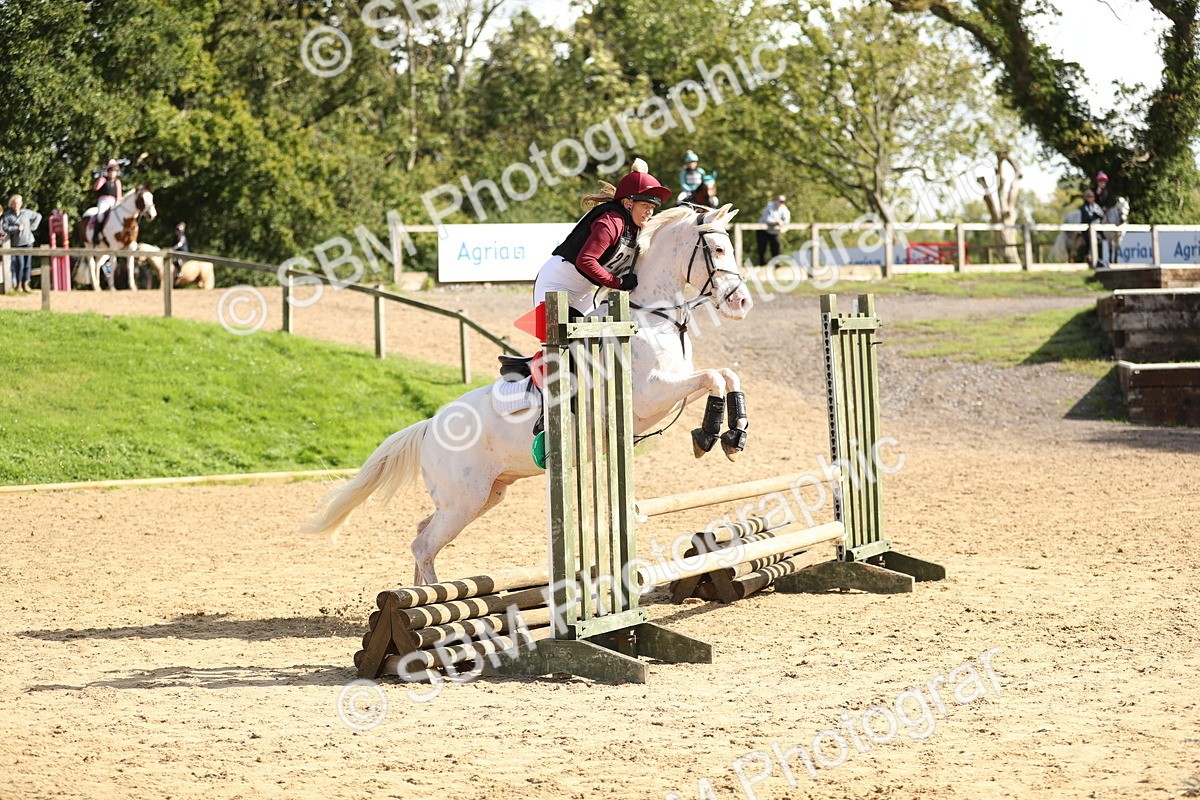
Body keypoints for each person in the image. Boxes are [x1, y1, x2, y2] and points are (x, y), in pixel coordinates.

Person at [533, 159, 673, 314]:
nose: (649, 212)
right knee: (559, 338)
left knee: (590, 337)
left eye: (652, 207)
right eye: (645, 205)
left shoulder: (636, 227)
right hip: (556, 284)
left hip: (585, 291)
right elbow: (585, 260)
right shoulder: (611, 222)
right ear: (628, 203)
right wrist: (618, 283)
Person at [3, 195, 43, 293]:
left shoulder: (26, 213)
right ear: (11, 204)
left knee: (27, 264)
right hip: (17, 244)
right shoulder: (8, 215)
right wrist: (16, 229)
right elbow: (5, 227)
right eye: (14, 203)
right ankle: (19, 284)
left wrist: (32, 227)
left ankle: (26, 284)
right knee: (19, 264)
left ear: (21, 204)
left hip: (28, 242)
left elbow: (38, 216)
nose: (16, 205)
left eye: (18, 203)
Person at [756, 195, 790, 265]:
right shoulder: (769, 206)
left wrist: (783, 222)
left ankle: (777, 263)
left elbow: (787, 219)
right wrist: (776, 221)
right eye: (780, 201)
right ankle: (762, 263)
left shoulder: (784, 209)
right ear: (776, 200)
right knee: (762, 247)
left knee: (776, 245)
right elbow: (767, 219)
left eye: (782, 202)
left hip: (773, 231)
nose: (781, 203)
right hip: (763, 230)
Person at [1079, 189, 1105, 266]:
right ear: (1086, 198)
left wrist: (1097, 215)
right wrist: (1093, 216)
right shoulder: (1084, 207)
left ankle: (1098, 260)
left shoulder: (1096, 206)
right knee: (1089, 244)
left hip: (1097, 228)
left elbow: (1101, 214)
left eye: (1092, 197)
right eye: (1089, 197)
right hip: (1087, 229)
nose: (1091, 198)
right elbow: (1087, 217)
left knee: (1100, 241)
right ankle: (1089, 260)